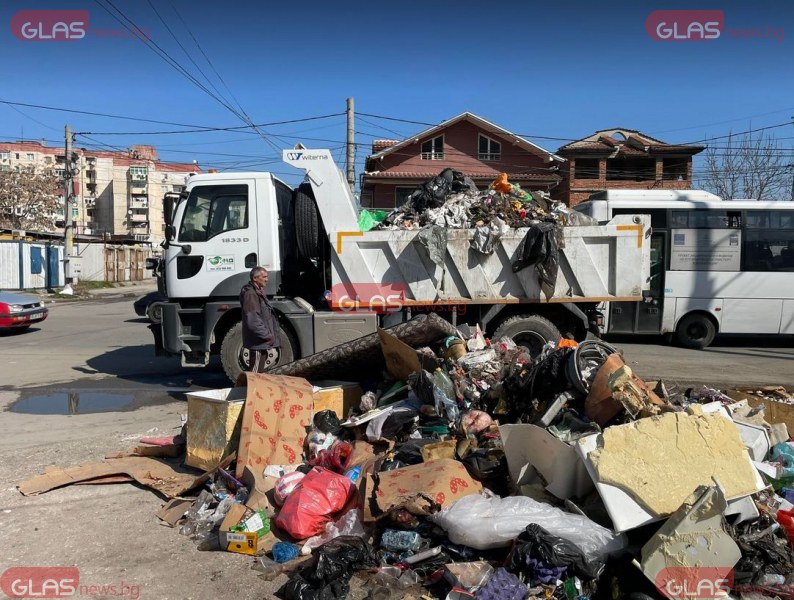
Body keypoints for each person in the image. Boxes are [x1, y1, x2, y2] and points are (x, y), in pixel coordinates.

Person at [240, 266, 280, 372]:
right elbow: (253, 320)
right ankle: (252, 388)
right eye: (264, 277)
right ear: (255, 278)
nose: (267, 279)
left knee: (258, 371)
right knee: (256, 373)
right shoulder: (251, 294)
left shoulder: (257, 291)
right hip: (258, 342)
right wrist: (267, 336)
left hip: (260, 341)